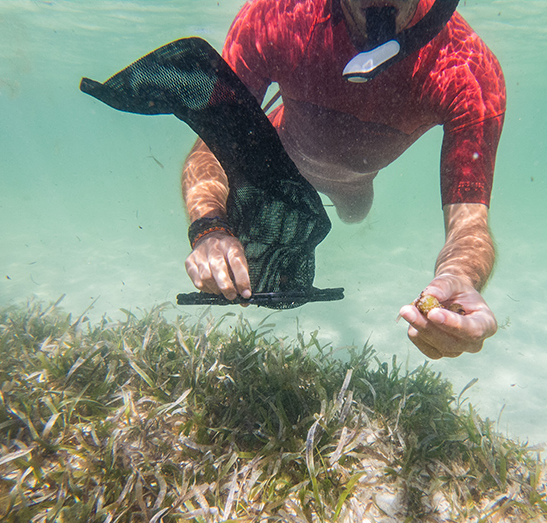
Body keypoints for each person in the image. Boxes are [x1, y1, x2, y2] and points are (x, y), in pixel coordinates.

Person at [182, 0, 506, 359]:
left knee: (355, 214)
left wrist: (460, 276)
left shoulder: (467, 68)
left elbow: (470, 224)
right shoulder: (276, 16)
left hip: (354, 185)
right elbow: (210, 149)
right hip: (277, 166)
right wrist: (209, 229)